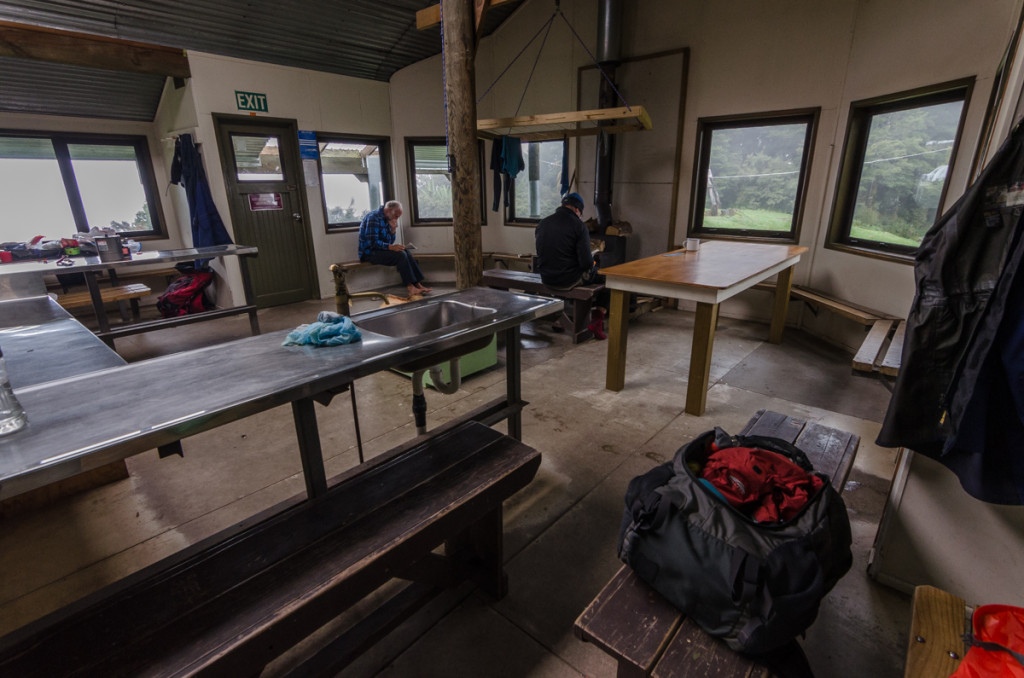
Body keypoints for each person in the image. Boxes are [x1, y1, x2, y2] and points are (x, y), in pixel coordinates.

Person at [535, 192, 608, 339]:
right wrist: (592, 261)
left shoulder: (543, 223)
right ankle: (597, 321)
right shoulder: (579, 226)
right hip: (567, 280)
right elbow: (587, 263)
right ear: (577, 210)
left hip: (546, 277)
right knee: (608, 279)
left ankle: (560, 320)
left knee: (566, 268)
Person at [357, 200, 432, 297]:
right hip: (368, 253)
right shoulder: (373, 218)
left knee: (405, 251)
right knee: (401, 255)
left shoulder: (388, 218)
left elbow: (389, 242)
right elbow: (372, 242)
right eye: (396, 216)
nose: (396, 219)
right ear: (388, 210)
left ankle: (418, 284)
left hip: (380, 251)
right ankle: (410, 288)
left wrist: (393, 230)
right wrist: (391, 247)